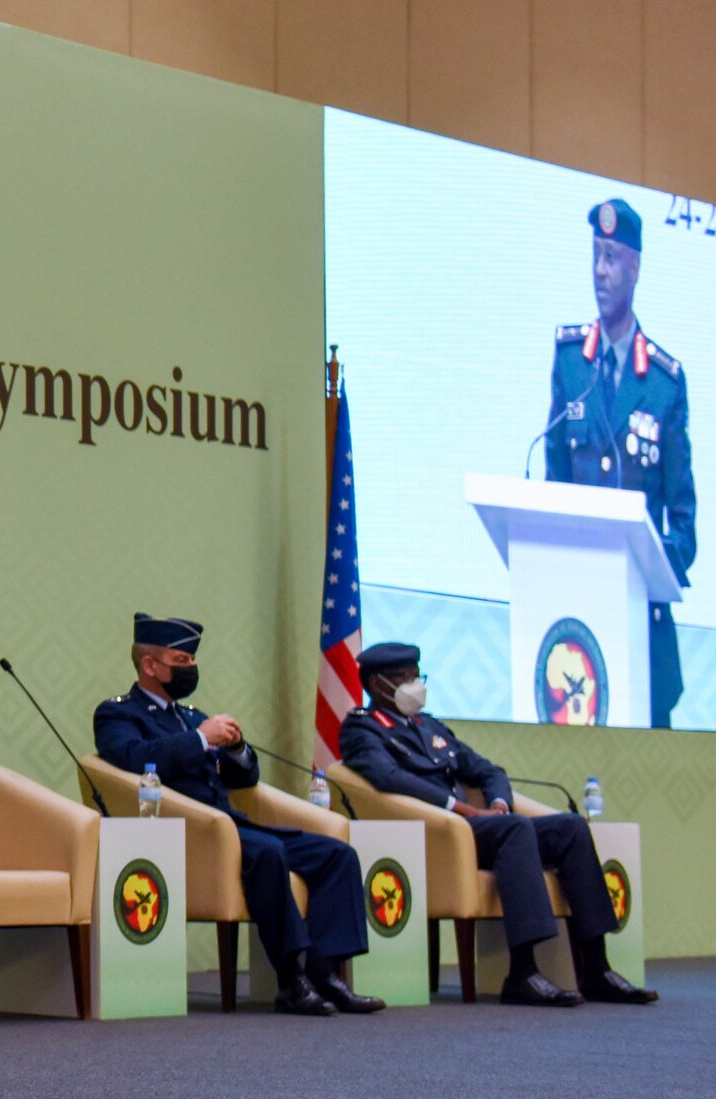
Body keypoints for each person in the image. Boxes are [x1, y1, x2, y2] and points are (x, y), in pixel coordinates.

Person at [93, 614, 382, 1016]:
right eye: (182, 661)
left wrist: (237, 748)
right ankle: (291, 980)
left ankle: (326, 972)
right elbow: (134, 760)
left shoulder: (192, 715)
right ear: (149, 666)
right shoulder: (118, 714)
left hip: (230, 823)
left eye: (192, 661)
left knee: (337, 855)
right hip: (187, 831)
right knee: (267, 853)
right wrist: (200, 740)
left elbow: (244, 780)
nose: (191, 668)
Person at [339, 642, 656, 1006]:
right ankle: (522, 973)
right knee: (516, 829)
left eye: (416, 676)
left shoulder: (431, 727)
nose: (415, 685)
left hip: (477, 830)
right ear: (378, 685)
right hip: (435, 834)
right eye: (403, 678)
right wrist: (465, 810)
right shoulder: (362, 729)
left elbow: (488, 771)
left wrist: (499, 803)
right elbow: (388, 778)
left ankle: (597, 968)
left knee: (570, 828)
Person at [544, 198, 695, 728]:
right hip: (575, 632)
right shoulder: (569, 362)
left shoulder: (663, 382)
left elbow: (685, 522)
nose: (600, 272)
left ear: (635, 267)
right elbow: (554, 488)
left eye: (611, 258)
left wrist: (649, 569)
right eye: (595, 256)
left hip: (645, 636)